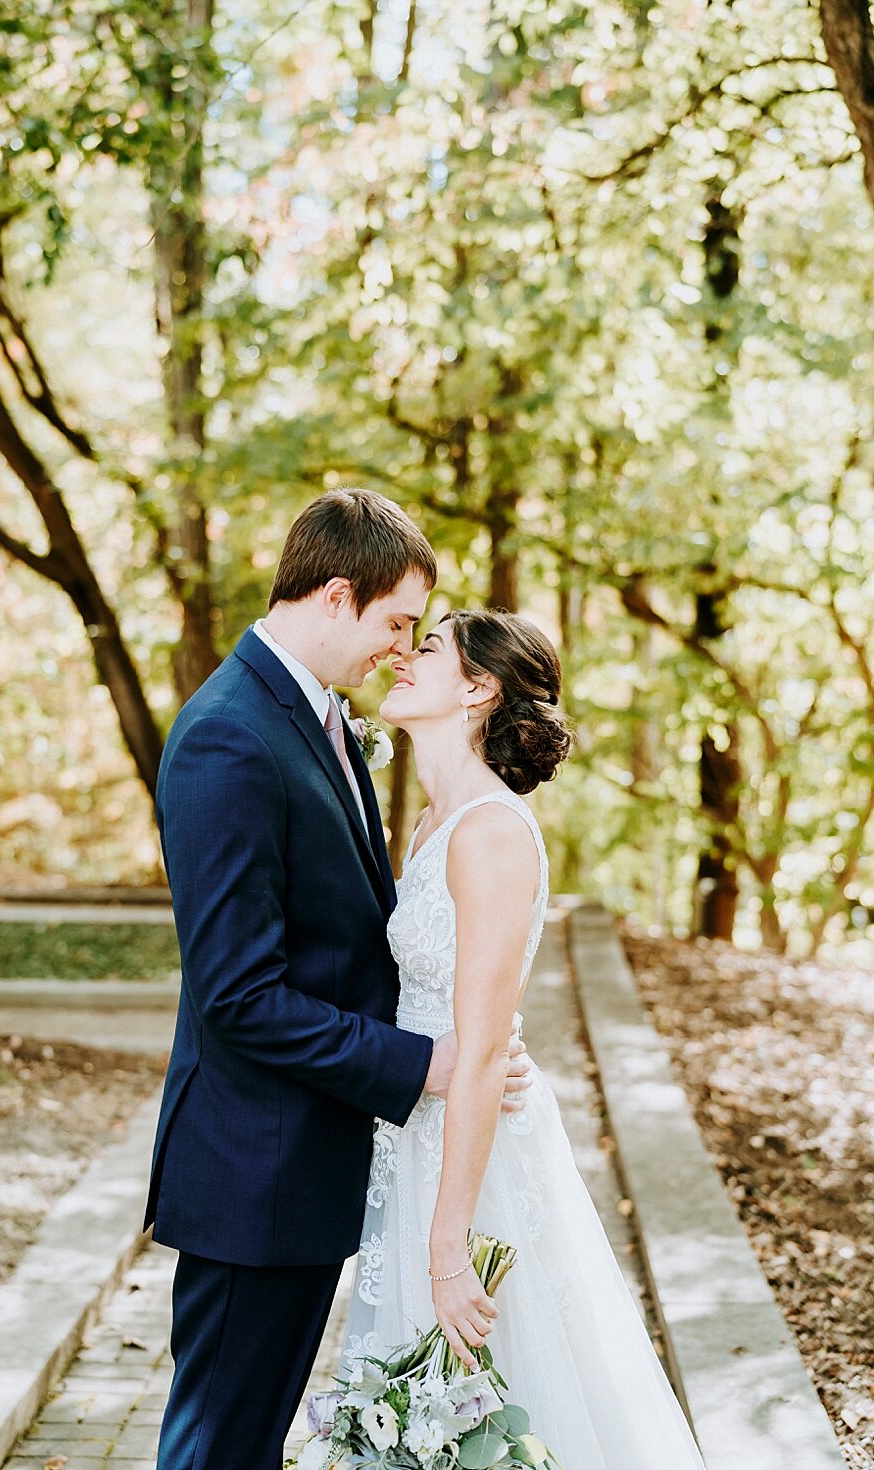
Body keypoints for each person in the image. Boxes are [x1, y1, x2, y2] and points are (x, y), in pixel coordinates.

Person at [145, 490, 531, 1470]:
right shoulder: (229, 734)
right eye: (395, 622)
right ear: (332, 596)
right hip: (251, 1177)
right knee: (217, 1448)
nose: (400, 651)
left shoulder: (314, 717)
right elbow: (238, 997)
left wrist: (470, 1038)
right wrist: (426, 1065)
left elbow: (349, 946)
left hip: (307, 1170)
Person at [341, 608, 707, 1469]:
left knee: (485, 1394)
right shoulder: (435, 823)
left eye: (426, 648)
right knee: (417, 1403)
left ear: (478, 688)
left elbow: (479, 1044)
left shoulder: (493, 834)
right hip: (414, 1134)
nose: (402, 657)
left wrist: (448, 1244)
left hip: (471, 1157)